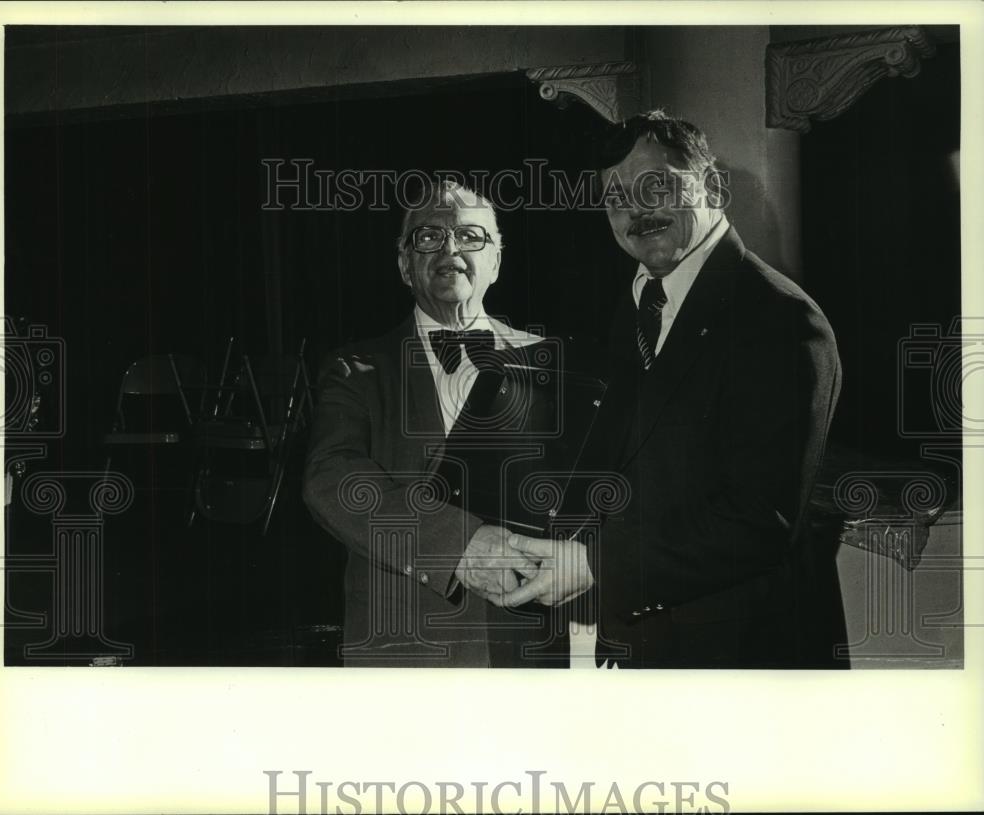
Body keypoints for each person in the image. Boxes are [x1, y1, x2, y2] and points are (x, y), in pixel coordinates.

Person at [494, 110, 848, 668]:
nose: (634, 209)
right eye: (614, 196)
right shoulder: (634, 305)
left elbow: (758, 521)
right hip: (633, 647)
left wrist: (592, 565)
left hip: (738, 661)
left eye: (654, 184)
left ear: (712, 186)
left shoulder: (779, 319)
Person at [303, 180, 565, 667]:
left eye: (471, 236)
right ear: (405, 265)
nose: (450, 249)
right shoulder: (354, 370)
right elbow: (331, 479)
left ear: (497, 261)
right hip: (406, 644)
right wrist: (458, 545)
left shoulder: (552, 362)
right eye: (428, 237)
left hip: (534, 642)